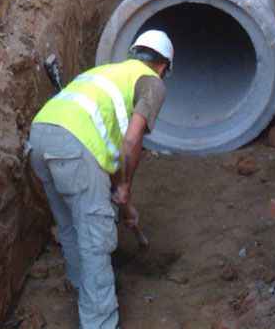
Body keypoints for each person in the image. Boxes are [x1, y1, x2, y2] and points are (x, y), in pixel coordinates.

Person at [28, 30, 173, 329]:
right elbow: (132, 140)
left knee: (70, 225)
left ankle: (89, 292)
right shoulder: (152, 82)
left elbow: (104, 145)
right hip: (75, 146)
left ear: (136, 52)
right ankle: (100, 321)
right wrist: (127, 187)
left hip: (40, 135)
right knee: (96, 238)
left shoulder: (107, 72)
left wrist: (122, 196)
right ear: (163, 66)